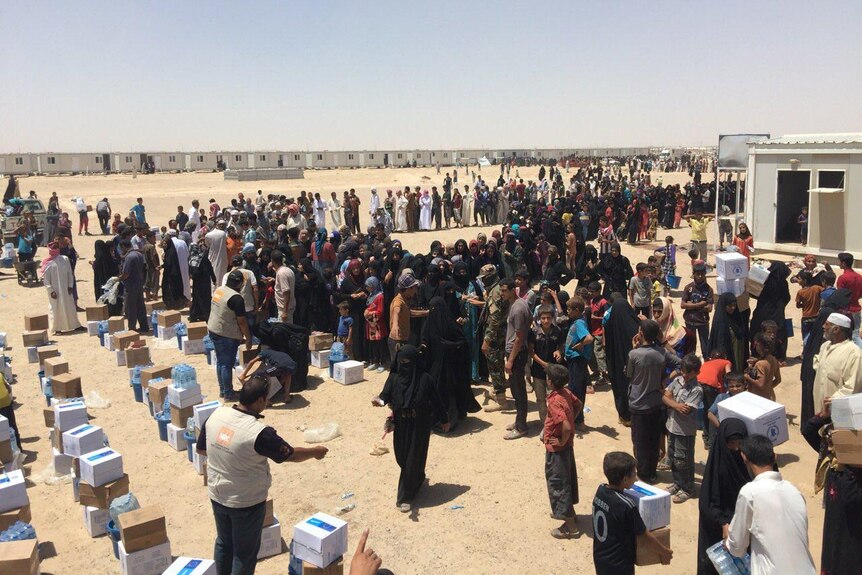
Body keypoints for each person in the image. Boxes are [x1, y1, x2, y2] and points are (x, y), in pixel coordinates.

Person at [197, 377, 327, 575]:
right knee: (244, 554)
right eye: (266, 400)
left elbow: (201, 450)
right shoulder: (259, 433)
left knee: (224, 543)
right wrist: (315, 451)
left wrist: (228, 458)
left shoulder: (216, 414)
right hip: (246, 502)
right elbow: (289, 454)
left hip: (217, 494)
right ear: (259, 401)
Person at [373, 345, 449, 513]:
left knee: (411, 460)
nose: (404, 365)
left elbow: (436, 401)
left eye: (407, 362)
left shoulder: (425, 379)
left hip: (420, 425)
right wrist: (379, 401)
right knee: (402, 458)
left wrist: (444, 420)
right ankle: (418, 478)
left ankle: (405, 497)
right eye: (401, 362)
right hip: (401, 424)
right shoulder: (394, 378)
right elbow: (385, 396)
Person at [725, 434, 816, 574]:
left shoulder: (750, 492)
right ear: (775, 457)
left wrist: (728, 540)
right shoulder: (794, 491)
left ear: (744, 458)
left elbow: (737, 547)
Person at [801, 410, 862, 575]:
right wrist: (826, 415)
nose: (828, 441)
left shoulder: (854, 471)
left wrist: (851, 466)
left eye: (833, 437)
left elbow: (851, 499)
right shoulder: (832, 460)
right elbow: (807, 430)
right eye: (828, 436)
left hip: (853, 536)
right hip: (834, 529)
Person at [592, 451, 673, 575]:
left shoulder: (601, 490)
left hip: (601, 559)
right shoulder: (627, 505)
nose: (636, 479)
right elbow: (644, 536)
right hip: (619, 565)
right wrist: (665, 552)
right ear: (625, 479)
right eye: (634, 474)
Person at [625, 319, 682, 483]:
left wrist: (633, 348)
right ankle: (651, 471)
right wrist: (665, 379)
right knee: (652, 439)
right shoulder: (661, 352)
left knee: (639, 441)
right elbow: (680, 364)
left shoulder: (634, 354)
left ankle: (643, 474)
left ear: (640, 334)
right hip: (656, 403)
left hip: (638, 404)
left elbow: (628, 374)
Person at [697, 418, 750, 575]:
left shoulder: (748, 463)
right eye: (731, 443)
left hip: (743, 525)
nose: (735, 448)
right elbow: (707, 502)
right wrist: (723, 523)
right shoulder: (717, 464)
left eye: (740, 443)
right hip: (718, 528)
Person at [543, 363, 582, 539]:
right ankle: (569, 512)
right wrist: (571, 422)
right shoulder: (566, 393)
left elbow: (564, 426)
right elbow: (578, 405)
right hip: (568, 448)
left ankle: (571, 527)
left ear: (550, 382)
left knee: (558, 483)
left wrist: (560, 440)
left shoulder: (553, 401)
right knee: (567, 478)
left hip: (558, 450)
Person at [662, 353, 704, 503]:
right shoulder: (678, 380)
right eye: (683, 371)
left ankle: (688, 488)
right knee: (673, 457)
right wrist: (676, 404)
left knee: (683, 460)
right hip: (672, 426)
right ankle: (678, 483)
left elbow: (686, 410)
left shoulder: (697, 390)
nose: (684, 374)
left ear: (696, 372)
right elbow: (665, 396)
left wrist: (671, 401)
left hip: (684, 431)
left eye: (688, 372)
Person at [208, 270, 254, 401]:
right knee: (227, 364)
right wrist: (248, 338)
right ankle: (228, 394)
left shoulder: (219, 290)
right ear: (239, 283)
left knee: (221, 362)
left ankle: (223, 390)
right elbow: (242, 321)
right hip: (226, 334)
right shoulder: (236, 298)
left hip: (213, 329)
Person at [813, 312, 862, 415]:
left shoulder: (854, 353)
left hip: (838, 413)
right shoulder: (825, 346)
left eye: (826, 324)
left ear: (836, 329)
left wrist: (831, 404)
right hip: (819, 410)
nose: (823, 326)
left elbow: (852, 387)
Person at [501, 277, 531, 439]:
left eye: (504, 290)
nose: (502, 293)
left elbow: (519, 337)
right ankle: (519, 420)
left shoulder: (518, 308)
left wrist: (510, 360)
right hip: (516, 351)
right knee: (515, 390)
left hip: (517, 353)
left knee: (518, 391)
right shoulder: (518, 304)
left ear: (513, 290)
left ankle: (521, 427)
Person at [604, 296, 641, 425]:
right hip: (635, 367)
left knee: (620, 388)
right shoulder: (636, 325)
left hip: (617, 366)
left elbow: (606, 346)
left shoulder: (610, 324)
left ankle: (624, 416)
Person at [481, 264, 510, 413]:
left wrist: (486, 340)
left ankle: (502, 401)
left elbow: (494, 319)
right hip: (502, 332)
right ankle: (499, 392)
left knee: (495, 365)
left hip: (495, 335)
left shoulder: (495, 292)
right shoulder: (499, 289)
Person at [529, 305, 565, 426]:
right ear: (539, 318)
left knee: (553, 398)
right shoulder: (534, 332)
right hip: (538, 371)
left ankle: (554, 422)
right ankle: (545, 424)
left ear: (552, 318)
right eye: (543, 318)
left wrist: (559, 351)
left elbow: (561, 345)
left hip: (552, 372)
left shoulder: (557, 331)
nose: (546, 321)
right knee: (540, 399)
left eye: (548, 318)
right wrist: (544, 364)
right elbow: (531, 352)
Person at [750, 261, 792, 360]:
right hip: (777, 313)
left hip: (762, 311)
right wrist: (780, 305)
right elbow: (787, 297)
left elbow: (754, 293)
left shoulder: (764, 280)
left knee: (759, 330)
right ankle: (778, 356)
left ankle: (757, 353)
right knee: (778, 332)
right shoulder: (783, 283)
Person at [40, 242, 82, 334]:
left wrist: (70, 286)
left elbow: (69, 273)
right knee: (55, 309)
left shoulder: (65, 259)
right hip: (55, 291)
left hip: (66, 289)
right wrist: (51, 291)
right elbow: (46, 280)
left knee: (70, 307)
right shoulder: (47, 262)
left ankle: (75, 325)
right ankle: (57, 329)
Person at [564, 296, 593, 431]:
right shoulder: (577, 320)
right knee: (576, 389)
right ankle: (577, 419)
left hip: (577, 360)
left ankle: (578, 421)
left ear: (576, 310)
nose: (567, 312)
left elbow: (588, 338)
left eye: (569, 309)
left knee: (576, 391)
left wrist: (579, 345)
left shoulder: (579, 323)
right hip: (574, 361)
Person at [707, 292, 748, 371]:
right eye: (730, 306)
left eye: (734, 305)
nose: (733, 308)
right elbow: (720, 341)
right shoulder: (720, 320)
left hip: (738, 353)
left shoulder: (737, 318)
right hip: (727, 354)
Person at [680, 263, 713, 357]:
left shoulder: (709, 289)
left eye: (702, 274)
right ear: (693, 274)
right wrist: (700, 304)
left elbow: (709, 308)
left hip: (703, 322)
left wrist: (690, 304)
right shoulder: (688, 288)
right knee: (690, 348)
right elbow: (682, 305)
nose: (700, 276)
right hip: (689, 321)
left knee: (705, 348)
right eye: (697, 274)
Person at [117, 239, 148, 333]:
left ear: (123, 247)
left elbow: (126, 273)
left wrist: (119, 279)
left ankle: (132, 328)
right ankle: (144, 326)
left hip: (130, 286)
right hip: (139, 283)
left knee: (130, 308)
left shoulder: (129, 257)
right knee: (140, 306)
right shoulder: (138, 254)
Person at [836, 252, 862, 347]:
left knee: (847, 336)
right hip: (857, 309)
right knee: (855, 334)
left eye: (839, 261)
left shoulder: (843, 278)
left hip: (846, 310)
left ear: (843, 263)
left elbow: (840, 296)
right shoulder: (859, 277)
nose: (838, 263)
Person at [745, 333, 781, 401]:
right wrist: (768, 388)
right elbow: (778, 380)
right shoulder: (773, 359)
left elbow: (760, 384)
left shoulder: (760, 364)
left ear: (760, 345)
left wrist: (747, 377)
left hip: (759, 398)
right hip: (770, 396)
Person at [271, 250, 295, 324]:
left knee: (284, 332)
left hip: (284, 309)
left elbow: (286, 292)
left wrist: (284, 311)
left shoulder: (281, 273)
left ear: (272, 260)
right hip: (287, 307)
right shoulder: (287, 270)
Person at [206, 220, 229, 290]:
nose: (222, 226)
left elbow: (208, 245)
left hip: (215, 257)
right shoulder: (223, 234)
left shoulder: (208, 235)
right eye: (220, 224)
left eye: (223, 224)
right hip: (221, 257)